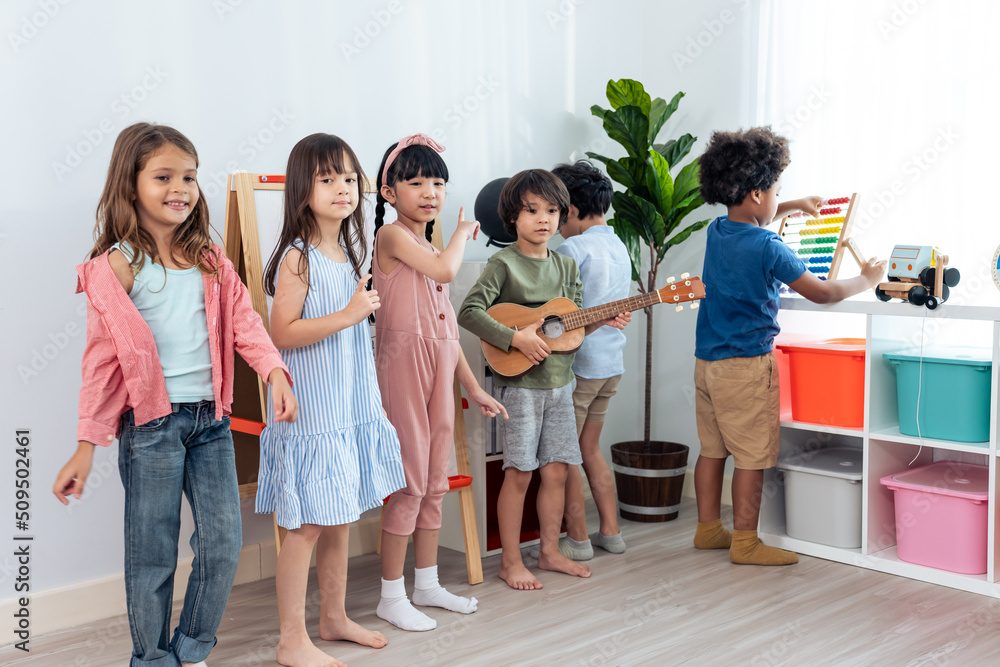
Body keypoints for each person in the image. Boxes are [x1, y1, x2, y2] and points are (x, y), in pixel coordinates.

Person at [52, 122, 298, 667]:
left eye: (189, 176)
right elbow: (100, 366)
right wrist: (86, 445)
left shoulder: (209, 258)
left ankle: (191, 649)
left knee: (224, 540)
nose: (180, 187)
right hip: (150, 429)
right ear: (130, 185)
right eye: (163, 176)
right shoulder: (116, 266)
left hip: (211, 422)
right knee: (152, 556)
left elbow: (246, 323)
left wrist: (274, 372)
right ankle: (152, 659)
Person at [693, 126, 886, 565]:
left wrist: (791, 206)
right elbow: (820, 292)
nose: (780, 197)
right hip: (746, 367)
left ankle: (708, 530)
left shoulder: (717, 230)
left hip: (708, 363)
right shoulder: (768, 245)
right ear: (759, 194)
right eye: (778, 190)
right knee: (752, 456)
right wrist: (867, 279)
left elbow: (751, 234)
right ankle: (745, 543)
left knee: (712, 449)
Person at [259, 133, 406, 667]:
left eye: (349, 178)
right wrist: (348, 314)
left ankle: (334, 616)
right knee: (306, 527)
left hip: (347, 406)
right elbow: (283, 332)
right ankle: (290, 640)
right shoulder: (298, 259)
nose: (343, 188)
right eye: (328, 179)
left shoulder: (346, 250)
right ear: (303, 189)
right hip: (314, 412)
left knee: (340, 515)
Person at [457, 169, 628, 590]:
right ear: (512, 216)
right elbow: (469, 312)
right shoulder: (503, 263)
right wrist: (515, 336)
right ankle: (510, 561)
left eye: (552, 210)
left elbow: (567, 329)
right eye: (532, 210)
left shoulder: (567, 264)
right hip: (521, 388)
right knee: (519, 472)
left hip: (562, 383)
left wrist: (600, 320)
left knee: (556, 471)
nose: (544, 219)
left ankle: (550, 551)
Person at [370, 134, 508, 632]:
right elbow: (448, 266)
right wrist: (463, 231)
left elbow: (447, 327)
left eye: (438, 182)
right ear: (389, 192)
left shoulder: (427, 244)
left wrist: (472, 387)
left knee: (433, 482)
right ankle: (391, 595)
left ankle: (425, 583)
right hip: (403, 368)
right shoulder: (393, 239)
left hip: (438, 373)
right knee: (409, 482)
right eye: (416, 182)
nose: (430, 191)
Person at [551, 160, 631, 561]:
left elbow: (562, 312)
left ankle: (578, 540)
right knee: (590, 448)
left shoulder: (572, 247)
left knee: (565, 455)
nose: (553, 224)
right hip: (610, 365)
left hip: (580, 367)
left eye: (555, 213)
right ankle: (612, 533)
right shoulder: (619, 246)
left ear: (570, 210)